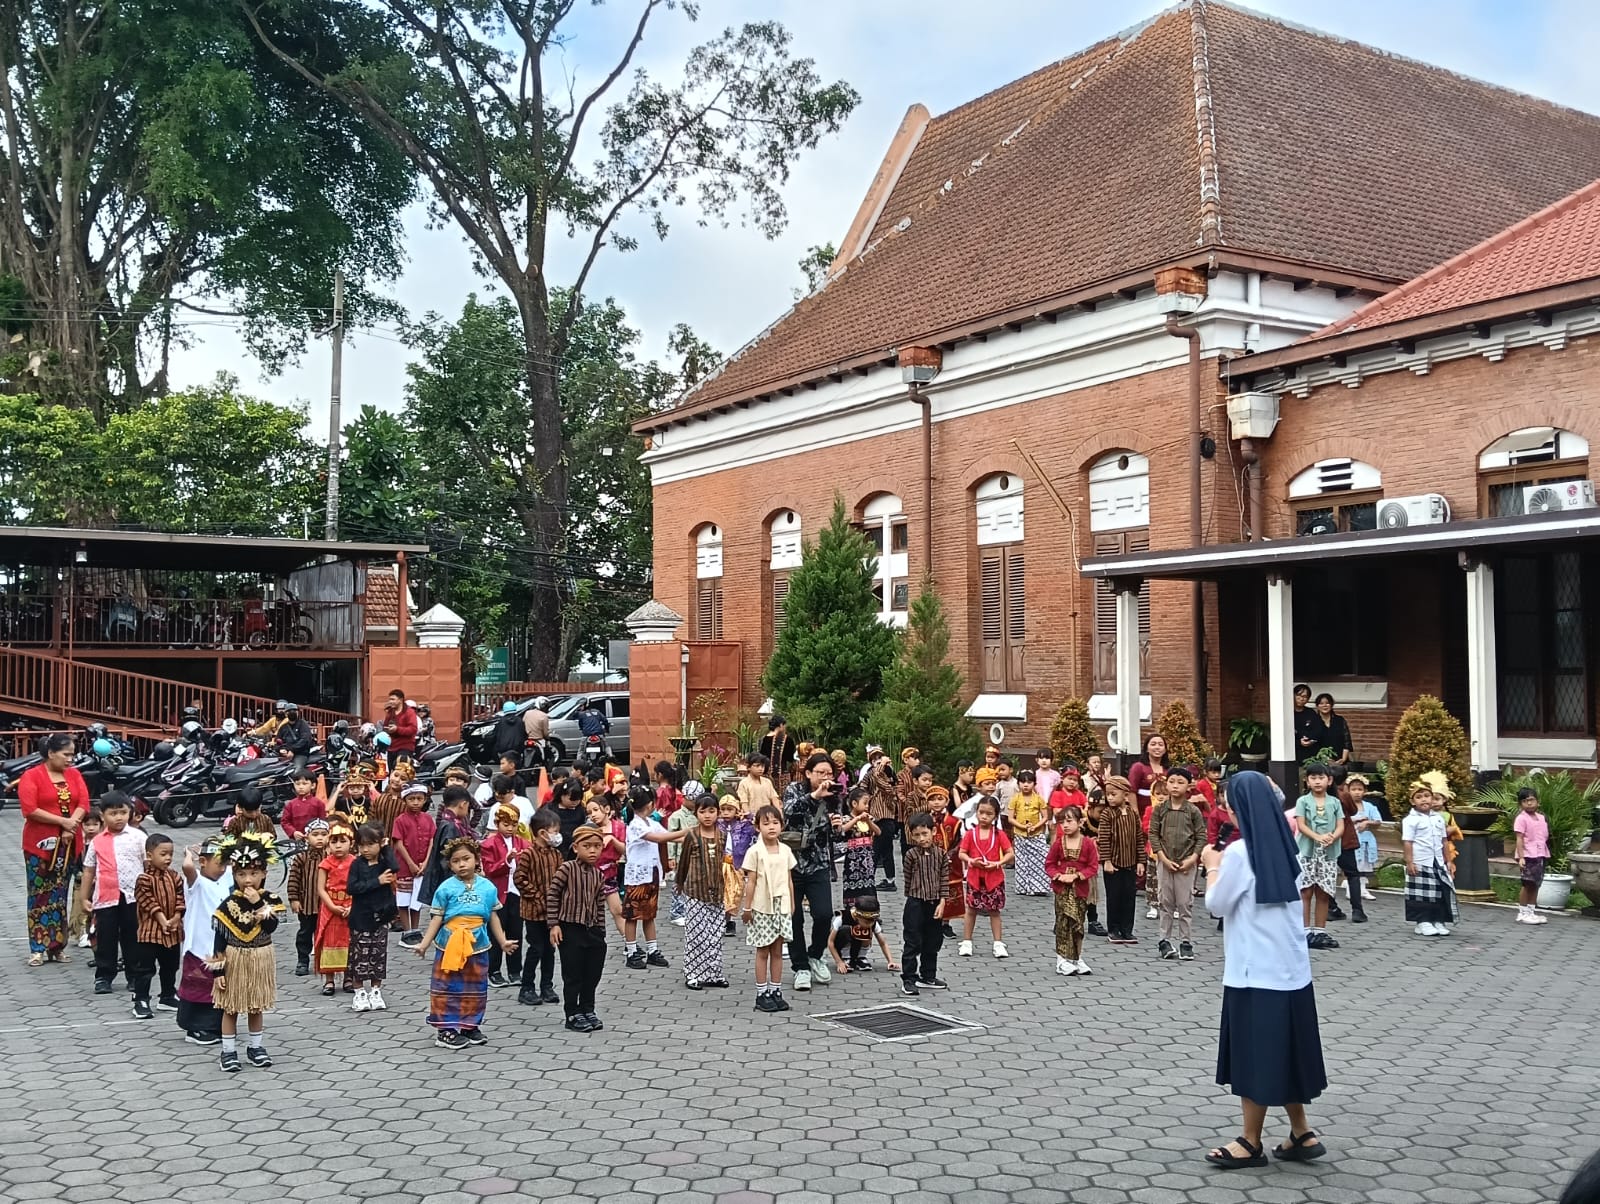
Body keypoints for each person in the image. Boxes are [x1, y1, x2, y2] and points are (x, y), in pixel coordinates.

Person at [1201, 771, 1328, 1170]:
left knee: (1255, 1055)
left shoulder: (1239, 854)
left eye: (1228, 803)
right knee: (1287, 1050)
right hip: (1291, 970)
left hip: (1252, 972)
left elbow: (1216, 905)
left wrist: (1211, 866)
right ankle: (1301, 1131)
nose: (1226, 809)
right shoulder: (1285, 846)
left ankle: (1250, 1141)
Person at [414, 837, 518, 1049]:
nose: (462, 864)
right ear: (450, 864)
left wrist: (503, 941)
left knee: (476, 987)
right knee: (447, 986)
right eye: (455, 861)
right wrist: (424, 943)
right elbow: (437, 918)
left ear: (476, 859)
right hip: (450, 944)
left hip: (477, 945)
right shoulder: (445, 888)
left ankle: (470, 1025)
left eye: (466, 859)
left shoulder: (487, 887)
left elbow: (493, 916)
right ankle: (446, 1030)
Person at [209, 831, 285, 1072]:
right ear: (234, 875)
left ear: (264, 873)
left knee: (256, 1005)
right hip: (235, 957)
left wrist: (257, 904)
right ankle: (228, 1052)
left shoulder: (270, 899)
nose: (248, 880)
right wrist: (217, 971)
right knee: (230, 1006)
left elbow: (271, 926)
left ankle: (255, 1046)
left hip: (261, 956)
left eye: (253, 873)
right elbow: (219, 936)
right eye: (241, 874)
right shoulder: (228, 903)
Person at [18, 732, 90, 966]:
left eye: (72, 754)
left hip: (69, 845)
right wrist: (63, 822)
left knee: (61, 894)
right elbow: (30, 809)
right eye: (66, 754)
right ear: (50, 753)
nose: (70, 759)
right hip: (41, 847)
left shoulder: (74, 774)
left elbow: (83, 803)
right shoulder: (32, 776)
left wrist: (73, 824)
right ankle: (38, 947)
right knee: (39, 895)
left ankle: (57, 946)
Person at [782, 752, 845, 992]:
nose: (826, 778)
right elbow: (788, 813)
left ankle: (815, 955)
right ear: (808, 773)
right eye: (821, 773)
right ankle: (800, 968)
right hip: (792, 863)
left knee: (823, 913)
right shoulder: (794, 790)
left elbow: (835, 834)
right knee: (794, 917)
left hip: (819, 862)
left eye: (829, 773)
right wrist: (814, 796)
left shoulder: (835, 796)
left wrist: (839, 827)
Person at [82, 791, 146, 993]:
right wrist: (84, 897)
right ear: (102, 815)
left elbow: (148, 865)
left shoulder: (138, 837)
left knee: (133, 937)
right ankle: (104, 976)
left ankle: (135, 976)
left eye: (123, 812)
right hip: (105, 898)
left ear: (130, 813)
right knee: (105, 938)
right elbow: (89, 870)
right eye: (113, 813)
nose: (118, 817)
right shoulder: (97, 841)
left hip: (133, 896)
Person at [547, 825, 608, 1032]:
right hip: (570, 928)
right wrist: (553, 924)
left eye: (597, 846)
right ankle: (572, 1013)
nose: (592, 851)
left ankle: (588, 1008)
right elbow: (553, 894)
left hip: (592, 930)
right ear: (575, 847)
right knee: (573, 974)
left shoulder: (598, 875)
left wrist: (601, 929)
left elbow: (600, 903)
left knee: (592, 973)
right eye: (587, 846)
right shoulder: (567, 869)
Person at [741, 804, 797, 1013]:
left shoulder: (786, 850)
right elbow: (751, 881)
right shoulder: (754, 851)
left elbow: (789, 879)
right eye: (766, 823)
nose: (771, 827)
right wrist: (747, 908)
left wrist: (792, 902)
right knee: (762, 949)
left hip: (781, 905)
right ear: (757, 827)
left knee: (777, 949)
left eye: (775, 823)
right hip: (762, 906)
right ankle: (761, 992)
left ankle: (776, 989)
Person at [675, 793, 733, 990]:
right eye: (703, 811)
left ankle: (714, 973)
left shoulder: (723, 836)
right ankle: (693, 973)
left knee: (715, 933)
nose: (707, 815)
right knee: (696, 933)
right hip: (695, 892)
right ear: (696, 813)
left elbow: (729, 865)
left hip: (717, 892)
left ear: (717, 813)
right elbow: (683, 861)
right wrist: (679, 882)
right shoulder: (692, 835)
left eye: (711, 811)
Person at [622, 787, 685, 969]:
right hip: (637, 877)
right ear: (651, 805)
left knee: (649, 914)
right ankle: (632, 951)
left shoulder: (650, 822)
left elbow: (666, 836)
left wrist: (692, 837)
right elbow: (657, 838)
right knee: (632, 915)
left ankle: (652, 950)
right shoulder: (635, 824)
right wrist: (685, 833)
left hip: (652, 875)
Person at [1148, 766, 1206, 961]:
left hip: (1186, 864)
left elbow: (1201, 836)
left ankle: (1186, 942)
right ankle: (1164, 940)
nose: (1175, 786)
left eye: (1180, 782)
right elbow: (1153, 834)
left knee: (1184, 903)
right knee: (1165, 901)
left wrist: (1192, 858)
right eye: (1172, 782)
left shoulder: (1193, 811)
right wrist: (1162, 858)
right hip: (1165, 862)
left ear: (1188, 786)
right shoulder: (1160, 809)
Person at [177, 839, 230, 1046]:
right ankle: (194, 1028)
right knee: (198, 988)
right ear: (203, 862)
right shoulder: (196, 882)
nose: (223, 868)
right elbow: (187, 866)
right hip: (199, 946)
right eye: (218, 863)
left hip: (219, 946)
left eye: (225, 864)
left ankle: (214, 1025)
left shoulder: (225, 879)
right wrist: (189, 852)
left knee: (218, 987)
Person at [512, 808, 564, 1006]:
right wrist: (538, 898)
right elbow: (520, 879)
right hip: (534, 913)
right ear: (542, 833)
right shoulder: (527, 854)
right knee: (536, 948)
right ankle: (527, 987)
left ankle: (547, 986)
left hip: (552, 913)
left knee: (550, 949)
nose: (557, 835)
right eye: (554, 831)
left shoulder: (557, 855)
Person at [130, 832, 184, 1020]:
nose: (168, 858)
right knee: (145, 968)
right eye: (163, 854)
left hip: (172, 932)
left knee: (170, 966)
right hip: (150, 932)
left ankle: (168, 995)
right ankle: (141, 999)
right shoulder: (144, 879)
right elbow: (147, 902)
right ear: (149, 855)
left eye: (170, 854)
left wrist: (176, 917)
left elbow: (180, 898)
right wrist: (162, 920)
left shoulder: (175, 876)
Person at [897, 812, 949, 997]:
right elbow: (908, 878)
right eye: (917, 835)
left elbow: (944, 879)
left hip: (935, 903)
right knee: (912, 941)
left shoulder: (941, 854)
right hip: (915, 902)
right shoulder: (911, 854)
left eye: (925, 833)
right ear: (911, 835)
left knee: (933, 940)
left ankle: (928, 975)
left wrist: (942, 902)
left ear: (933, 831)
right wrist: (912, 898)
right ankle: (909, 978)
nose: (922, 838)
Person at [346, 824, 397, 1012]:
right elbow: (352, 888)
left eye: (371, 845)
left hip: (381, 916)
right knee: (360, 956)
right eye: (362, 845)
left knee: (378, 955)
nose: (366, 850)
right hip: (361, 917)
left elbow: (395, 866)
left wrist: (386, 847)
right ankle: (359, 991)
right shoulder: (357, 864)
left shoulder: (385, 862)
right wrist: (377, 881)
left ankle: (376, 990)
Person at [1046, 805, 1101, 977]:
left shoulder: (1087, 844)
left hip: (1080, 889)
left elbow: (1092, 867)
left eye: (1069, 821)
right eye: (1063, 822)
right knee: (1063, 922)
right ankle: (1062, 960)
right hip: (1062, 889)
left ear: (1080, 822)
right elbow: (1049, 864)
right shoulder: (1058, 844)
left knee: (1078, 923)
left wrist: (1077, 875)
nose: (1066, 825)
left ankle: (1077, 957)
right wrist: (1058, 876)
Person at [1294, 764, 1344, 949]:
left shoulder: (1335, 802)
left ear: (1329, 781)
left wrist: (1333, 837)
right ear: (1307, 781)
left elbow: (1341, 826)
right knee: (1306, 890)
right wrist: (1317, 837)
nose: (1317, 781)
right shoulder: (1303, 801)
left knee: (1323, 892)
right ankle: (1305, 931)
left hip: (1328, 854)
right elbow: (1301, 825)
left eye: (1321, 777)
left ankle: (1320, 930)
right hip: (1308, 851)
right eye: (1313, 778)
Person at [958, 796, 1014, 959]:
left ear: (995, 816)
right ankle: (967, 941)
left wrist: (998, 863)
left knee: (994, 911)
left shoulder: (999, 834)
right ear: (976, 813)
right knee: (971, 910)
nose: (984, 816)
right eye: (981, 812)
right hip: (975, 877)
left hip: (994, 877)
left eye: (988, 814)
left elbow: (1010, 853)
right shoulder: (970, 834)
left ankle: (998, 943)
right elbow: (962, 853)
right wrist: (970, 861)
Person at [480, 805, 529, 988]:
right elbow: (490, 869)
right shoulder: (488, 845)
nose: (510, 828)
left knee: (516, 932)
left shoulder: (523, 843)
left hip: (517, 894)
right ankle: (494, 971)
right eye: (506, 824)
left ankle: (515, 970)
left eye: (514, 824)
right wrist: (506, 861)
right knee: (495, 933)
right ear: (497, 823)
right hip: (497, 895)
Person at [1402, 783, 1457, 937]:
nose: (1424, 800)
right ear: (1413, 802)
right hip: (1420, 861)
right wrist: (1410, 862)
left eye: (1427, 796)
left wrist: (1449, 861)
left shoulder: (1438, 818)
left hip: (1437, 861)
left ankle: (1438, 920)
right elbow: (1408, 842)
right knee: (1421, 893)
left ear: (1433, 799)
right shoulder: (1410, 820)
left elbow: (1444, 841)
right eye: (1419, 797)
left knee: (1439, 891)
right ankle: (1422, 921)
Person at [1093, 775, 1142, 945]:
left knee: (1129, 897)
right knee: (1114, 897)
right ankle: (1113, 929)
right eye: (1108, 794)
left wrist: (1141, 861)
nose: (1110, 797)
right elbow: (1104, 838)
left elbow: (1138, 839)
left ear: (1125, 795)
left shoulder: (1132, 814)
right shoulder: (1107, 814)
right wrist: (1106, 861)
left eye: (1114, 794)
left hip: (1130, 863)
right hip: (1113, 864)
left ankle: (1127, 930)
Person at [314, 819, 356, 995]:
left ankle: (348, 978)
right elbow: (320, 888)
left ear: (351, 843)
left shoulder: (355, 862)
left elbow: (358, 887)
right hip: (330, 907)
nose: (338, 846)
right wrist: (331, 906)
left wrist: (352, 906)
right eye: (334, 841)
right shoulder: (325, 864)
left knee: (349, 941)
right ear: (328, 844)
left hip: (350, 905)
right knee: (328, 941)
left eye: (342, 841)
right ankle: (329, 980)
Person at [286, 819, 330, 976]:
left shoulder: (331, 857)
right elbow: (293, 879)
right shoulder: (301, 858)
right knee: (305, 933)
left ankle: (325, 962)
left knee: (325, 934)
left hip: (327, 905)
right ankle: (303, 960)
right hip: (307, 904)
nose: (319, 838)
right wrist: (294, 899)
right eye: (315, 834)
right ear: (306, 837)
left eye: (324, 835)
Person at [1007, 769, 1051, 897]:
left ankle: (1040, 886)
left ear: (1034, 784)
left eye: (1029, 782)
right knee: (1022, 862)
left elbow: (1045, 817)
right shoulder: (1015, 799)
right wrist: (1022, 826)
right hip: (1020, 834)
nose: (1026, 785)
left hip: (1036, 834)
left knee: (1040, 859)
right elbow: (1010, 818)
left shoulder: (1039, 799)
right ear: (1018, 784)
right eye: (1022, 782)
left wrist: (1035, 826)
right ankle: (1024, 887)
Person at [828, 893, 896, 974]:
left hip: (859, 944)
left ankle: (861, 957)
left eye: (872, 921)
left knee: (867, 930)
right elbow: (830, 942)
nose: (870, 924)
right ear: (857, 916)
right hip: (842, 945)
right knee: (845, 929)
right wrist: (839, 962)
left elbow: (883, 943)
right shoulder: (842, 918)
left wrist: (890, 961)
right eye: (866, 922)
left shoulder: (872, 922)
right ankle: (846, 958)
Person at [1514, 786, 1551, 925]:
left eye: (1531, 800)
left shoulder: (1542, 818)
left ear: (1537, 801)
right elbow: (1519, 838)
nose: (1529, 803)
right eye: (1525, 801)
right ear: (1520, 804)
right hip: (1528, 855)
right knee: (1527, 884)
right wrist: (1521, 857)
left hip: (1540, 854)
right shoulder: (1521, 819)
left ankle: (1531, 911)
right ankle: (1522, 912)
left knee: (1536, 884)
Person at [840, 786, 880, 908]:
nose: (867, 806)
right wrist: (856, 819)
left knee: (869, 882)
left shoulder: (869, 818)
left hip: (867, 858)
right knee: (852, 882)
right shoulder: (847, 818)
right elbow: (842, 830)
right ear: (854, 803)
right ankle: (852, 909)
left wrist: (868, 821)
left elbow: (878, 832)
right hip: (853, 858)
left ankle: (870, 908)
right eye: (865, 803)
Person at [1347, 775, 1380, 904]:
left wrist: (1367, 823)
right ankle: (1351, 888)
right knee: (1353, 865)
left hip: (1366, 840)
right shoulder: (1345, 806)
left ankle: (1362, 888)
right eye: (1353, 789)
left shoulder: (1370, 807)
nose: (1357, 792)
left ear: (1364, 791)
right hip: (1351, 840)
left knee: (1364, 865)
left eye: (1359, 789)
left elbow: (1378, 821)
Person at [1306, 694, 1353, 765]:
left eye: (1327, 703)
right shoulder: (1313, 721)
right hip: (1320, 761)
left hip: (1340, 760)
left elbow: (1347, 741)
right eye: (1321, 703)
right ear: (1317, 706)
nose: (1325, 705)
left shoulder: (1340, 720)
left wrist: (1343, 759)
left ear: (1331, 705)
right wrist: (1325, 759)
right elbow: (1312, 743)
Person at [279, 770, 326, 839]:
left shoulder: (318, 803)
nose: (300, 787)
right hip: (296, 839)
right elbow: (285, 822)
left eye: (304, 784)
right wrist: (293, 832)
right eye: (297, 784)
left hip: (314, 838)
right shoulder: (290, 804)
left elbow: (322, 822)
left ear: (313, 785)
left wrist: (316, 834)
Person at [1127, 733, 1169, 812]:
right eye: (1153, 744)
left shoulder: (1168, 769)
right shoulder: (1138, 767)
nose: (1157, 747)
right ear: (1147, 748)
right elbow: (1131, 791)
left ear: (1165, 750)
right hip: (1143, 812)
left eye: (1160, 745)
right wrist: (1135, 812)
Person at [382, 689, 419, 771]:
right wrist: (387, 730)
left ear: (400, 700)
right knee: (392, 772)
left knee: (402, 772)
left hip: (405, 747)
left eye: (393, 699)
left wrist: (397, 729)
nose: (390, 702)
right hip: (391, 748)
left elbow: (413, 729)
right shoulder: (390, 712)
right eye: (389, 699)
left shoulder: (409, 712)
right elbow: (385, 726)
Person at [274, 703, 314, 769]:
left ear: (298, 712)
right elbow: (278, 741)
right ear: (286, 714)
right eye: (289, 711)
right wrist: (280, 750)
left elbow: (305, 740)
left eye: (294, 710)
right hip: (285, 755)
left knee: (296, 770)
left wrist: (292, 750)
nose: (292, 712)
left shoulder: (303, 725)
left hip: (300, 754)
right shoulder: (283, 727)